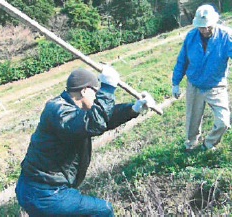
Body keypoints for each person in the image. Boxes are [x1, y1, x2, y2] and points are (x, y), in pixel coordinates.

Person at [15, 65, 156, 216]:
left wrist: (133, 109)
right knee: (103, 210)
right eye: (95, 92)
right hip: (45, 193)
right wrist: (107, 88)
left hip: (36, 189)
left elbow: (100, 120)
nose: (96, 97)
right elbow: (94, 123)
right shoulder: (58, 111)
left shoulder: (72, 110)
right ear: (84, 91)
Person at [172, 4, 232, 151]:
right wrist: (175, 83)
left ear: (214, 22)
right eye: (201, 27)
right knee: (192, 123)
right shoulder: (191, 37)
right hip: (194, 85)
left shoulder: (226, 36)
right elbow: (182, 60)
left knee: (223, 122)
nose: (205, 30)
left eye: (208, 26)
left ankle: (208, 144)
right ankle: (190, 145)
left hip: (216, 86)